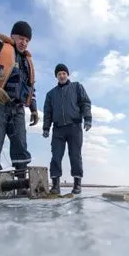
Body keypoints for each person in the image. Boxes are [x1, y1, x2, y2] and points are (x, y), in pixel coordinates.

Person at [0, 21, 39, 196]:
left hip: (17, 109)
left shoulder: (26, 61)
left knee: (21, 146)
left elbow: (30, 87)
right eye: (21, 38)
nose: (24, 42)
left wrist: (33, 108)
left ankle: (22, 186)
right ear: (13, 36)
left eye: (27, 40)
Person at [42, 63, 92, 196]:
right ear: (56, 77)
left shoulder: (77, 87)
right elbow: (47, 112)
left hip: (74, 127)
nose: (62, 76)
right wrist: (46, 127)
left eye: (64, 73)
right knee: (56, 156)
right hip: (58, 129)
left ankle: (77, 184)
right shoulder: (51, 94)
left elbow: (85, 103)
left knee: (75, 155)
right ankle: (56, 186)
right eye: (59, 74)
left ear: (67, 74)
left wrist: (87, 118)